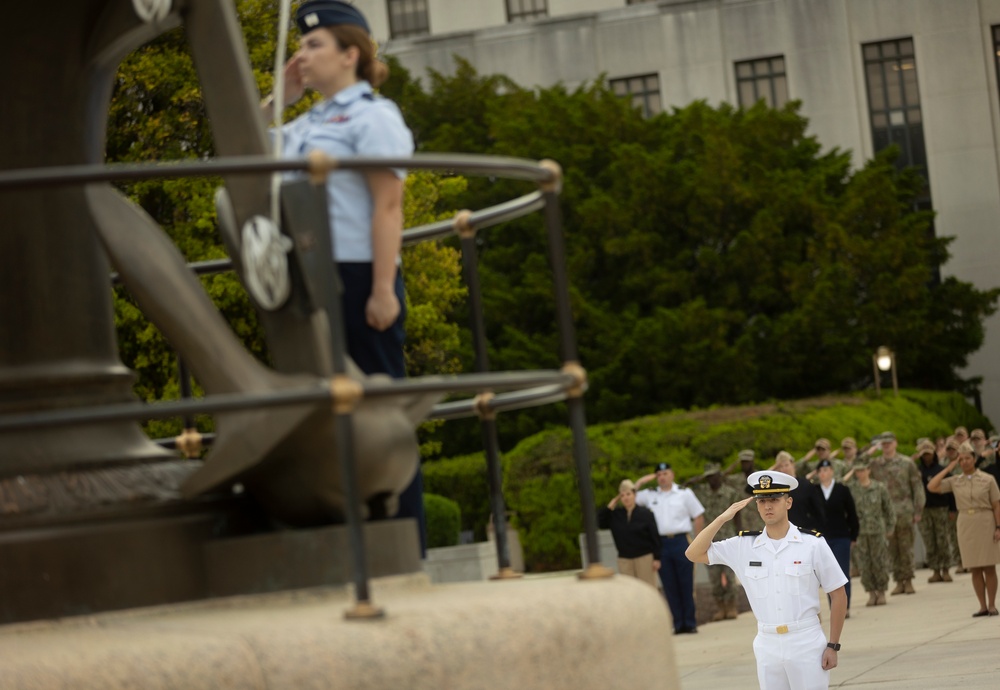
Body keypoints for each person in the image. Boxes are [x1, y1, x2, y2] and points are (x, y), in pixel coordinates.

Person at [269, 2, 425, 548]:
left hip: (361, 276)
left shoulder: (372, 116)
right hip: (308, 280)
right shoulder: (303, 123)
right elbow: (243, 153)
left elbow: (388, 204)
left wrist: (383, 289)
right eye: (300, 45)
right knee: (328, 417)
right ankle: (352, 547)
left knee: (382, 417)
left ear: (350, 54)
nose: (301, 56)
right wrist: (279, 99)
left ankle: (404, 545)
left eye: (314, 46)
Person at [686, 471, 847, 690]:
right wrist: (722, 519)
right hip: (767, 643)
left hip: (806, 641)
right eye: (762, 501)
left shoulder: (812, 544)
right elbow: (693, 554)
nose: (767, 506)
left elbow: (838, 594)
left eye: (774, 500)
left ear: (788, 502)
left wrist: (833, 645)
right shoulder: (744, 546)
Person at [928, 441, 1000, 617]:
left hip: (985, 521)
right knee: (974, 567)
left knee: (989, 567)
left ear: (974, 459)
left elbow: (996, 505)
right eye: (961, 459)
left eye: (968, 458)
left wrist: (998, 526)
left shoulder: (987, 479)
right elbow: (932, 486)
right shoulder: (955, 481)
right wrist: (949, 467)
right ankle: (982, 606)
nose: (965, 462)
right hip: (966, 523)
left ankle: (992, 604)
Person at [635, 462, 706, 634]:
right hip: (661, 545)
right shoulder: (650, 495)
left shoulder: (684, 493)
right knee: (669, 585)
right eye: (658, 475)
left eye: (665, 473)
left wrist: (699, 541)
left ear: (672, 475)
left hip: (681, 541)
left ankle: (690, 622)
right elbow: (629, 495)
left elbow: (698, 515)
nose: (662, 477)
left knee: (685, 583)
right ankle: (678, 623)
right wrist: (641, 481)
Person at [868, 432, 924, 595]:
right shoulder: (875, 464)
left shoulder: (907, 463)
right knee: (892, 549)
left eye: (889, 443)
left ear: (895, 443)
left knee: (906, 547)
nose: (886, 446)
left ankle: (908, 581)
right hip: (885, 513)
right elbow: (859, 466)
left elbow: (917, 487)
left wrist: (918, 509)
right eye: (883, 443)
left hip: (904, 510)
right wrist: (870, 451)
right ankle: (899, 581)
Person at [692, 462, 744, 621]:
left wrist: (741, 535)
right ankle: (720, 607)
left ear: (719, 475)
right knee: (714, 577)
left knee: (729, 576)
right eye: (708, 477)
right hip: (710, 541)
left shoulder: (730, 493)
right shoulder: (702, 494)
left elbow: (738, 517)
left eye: (713, 476)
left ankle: (731, 606)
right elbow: (686, 486)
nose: (711, 480)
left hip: (728, 538)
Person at [847, 460, 894, 606]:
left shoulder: (879, 488)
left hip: (877, 531)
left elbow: (889, 509)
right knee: (864, 563)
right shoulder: (851, 489)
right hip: (860, 532)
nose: (860, 473)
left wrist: (890, 527)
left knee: (879, 561)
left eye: (862, 470)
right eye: (857, 471)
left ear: (868, 470)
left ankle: (881, 592)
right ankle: (871, 592)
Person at [598, 479, 661, 588]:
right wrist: (611, 504)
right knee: (629, 591)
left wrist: (657, 558)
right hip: (625, 560)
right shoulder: (616, 515)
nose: (626, 498)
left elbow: (654, 536)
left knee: (648, 590)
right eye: (622, 495)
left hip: (644, 558)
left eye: (628, 494)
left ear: (634, 495)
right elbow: (600, 522)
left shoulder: (645, 513)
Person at [816, 458, 859, 616]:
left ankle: (845, 607)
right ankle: (834, 607)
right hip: (822, 539)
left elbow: (852, 514)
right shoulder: (815, 491)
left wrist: (853, 535)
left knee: (842, 572)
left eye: (826, 470)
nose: (823, 473)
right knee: (827, 574)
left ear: (832, 471)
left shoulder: (842, 489)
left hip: (841, 537)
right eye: (820, 471)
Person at [915, 439, 955, 583]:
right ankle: (935, 570)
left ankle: (946, 569)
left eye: (929, 453)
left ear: (934, 453)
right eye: (924, 454)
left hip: (940, 509)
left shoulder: (940, 469)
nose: (927, 456)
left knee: (942, 540)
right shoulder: (917, 471)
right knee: (929, 541)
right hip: (925, 511)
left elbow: (951, 491)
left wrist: (952, 509)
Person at [773, 451, 825, 532]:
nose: (784, 469)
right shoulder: (775, 489)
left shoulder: (806, 485)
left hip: (805, 531)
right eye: (780, 466)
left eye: (786, 465)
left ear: (793, 464)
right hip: (783, 532)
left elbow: (818, 512)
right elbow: (751, 488)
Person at [728, 449, 764, 532]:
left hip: (759, 522)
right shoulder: (736, 479)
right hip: (743, 524)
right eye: (742, 462)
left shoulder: (760, 477)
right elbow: (721, 477)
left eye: (747, 462)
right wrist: (734, 465)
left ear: (752, 462)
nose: (744, 465)